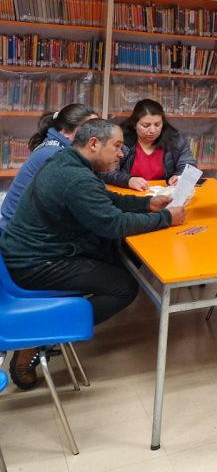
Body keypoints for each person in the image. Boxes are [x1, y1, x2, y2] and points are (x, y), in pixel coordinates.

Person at [0, 119, 183, 389]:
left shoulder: (68, 161)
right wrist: (166, 218)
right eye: (118, 146)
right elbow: (114, 224)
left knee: (118, 257)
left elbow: (105, 198)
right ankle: (40, 339)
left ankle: (48, 333)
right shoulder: (76, 177)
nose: (122, 154)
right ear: (94, 144)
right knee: (123, 287)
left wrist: (148, 204)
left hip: (32, 253)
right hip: (36, 264)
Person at [0, 103, 99, 231]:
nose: (98, 135)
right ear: (67, 132)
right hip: (18, 234)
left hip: (21, 227)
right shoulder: (56, 153)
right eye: (91, 129)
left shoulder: (57, 146)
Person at [103, 99, 197, 190]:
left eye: (157, 124)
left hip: (164, 195)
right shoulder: (121, 141)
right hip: (128, 196)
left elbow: (189, 166)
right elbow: (105, 171)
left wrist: (178, 177)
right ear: (135, 125)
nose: (152, 130)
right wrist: (128, 180)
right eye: (146, 125)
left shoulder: (175, 139)